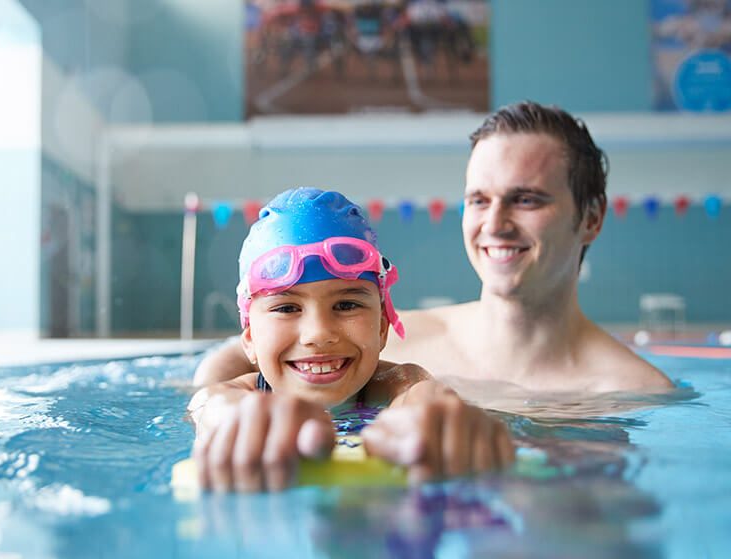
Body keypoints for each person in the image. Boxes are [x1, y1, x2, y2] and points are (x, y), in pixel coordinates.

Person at [193, 102, 672, 397]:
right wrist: (214, 404)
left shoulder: (633, 390)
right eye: (478, 200)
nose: (495, 223)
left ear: (592, 217)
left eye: (526, 200)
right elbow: (240, 355)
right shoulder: (394, 335)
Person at [189, 187, 514, 492]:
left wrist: (436, 419)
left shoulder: (395, 384)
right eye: (287, 307)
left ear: (383, 327)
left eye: (346, 305)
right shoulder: (235, 393)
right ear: (249, 340)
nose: (318, 333)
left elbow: (421, 397)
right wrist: (236, 419)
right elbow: (211, 404)